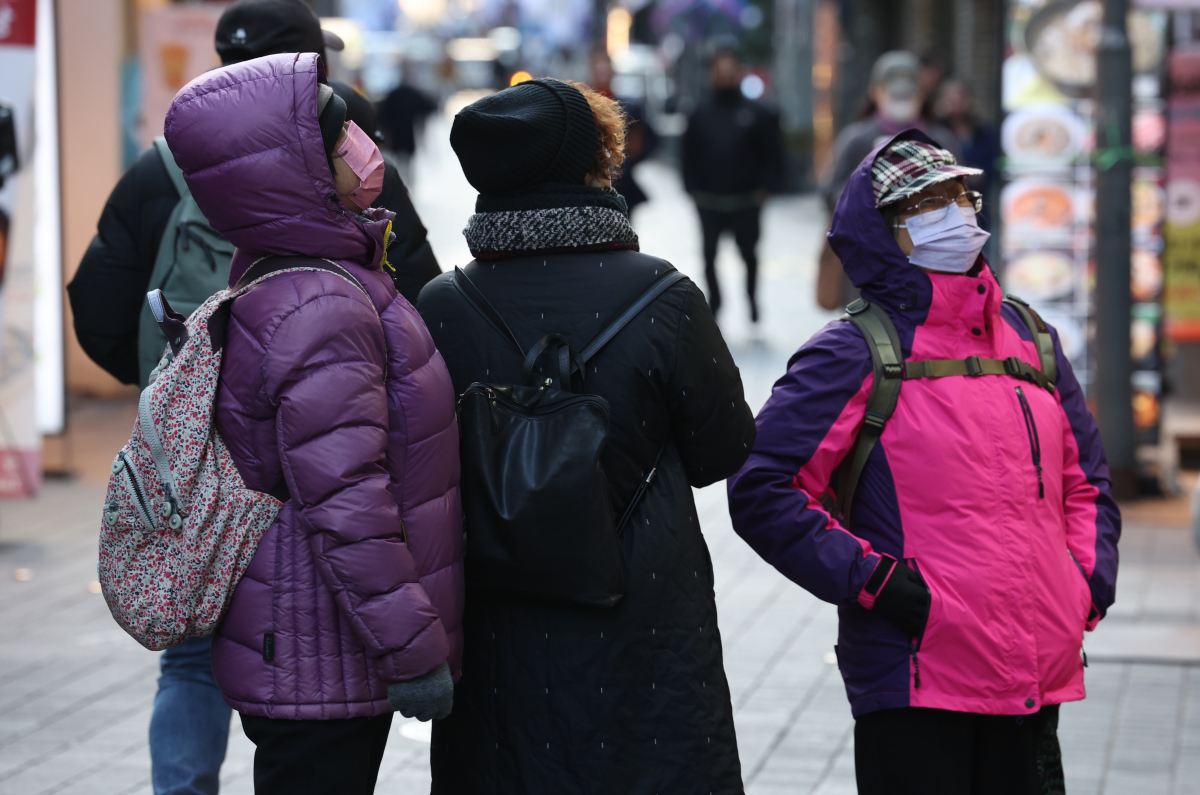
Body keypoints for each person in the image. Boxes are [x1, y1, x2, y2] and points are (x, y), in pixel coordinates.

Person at [727, 131, 1121, 794]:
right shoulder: (850, 351)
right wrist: (876, 582)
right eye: (928, 202)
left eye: (960, 194)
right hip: (914, 674)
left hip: (1032, 667)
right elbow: (762, 487)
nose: (957, 213)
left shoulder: (1030, 337)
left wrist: (1085, 581)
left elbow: (1086, 483)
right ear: (884, 232)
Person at [418, 77, 756, 794]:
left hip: (499, 613)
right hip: (645, 607)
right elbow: (720, 451)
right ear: (594, 161)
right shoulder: (663, 294)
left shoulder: (443, 306)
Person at [162, 51, 463, 794]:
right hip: (322, 644)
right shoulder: (318, 306)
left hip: (306, 634)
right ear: (295, 171)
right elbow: (348, 499)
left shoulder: (288, 275)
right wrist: (413, 648)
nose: (363, 148)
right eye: (339, 141)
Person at [68, 0, 438, 386]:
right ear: (314, 63)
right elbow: (420, 306)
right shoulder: (351, 159)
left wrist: (181, 384)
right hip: (340, 406)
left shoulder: (163, 164)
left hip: (192, 428)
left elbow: (100, 316)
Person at [816, 50, 961, 310]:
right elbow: (828, 193)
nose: (902, 101)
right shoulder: (856, 139)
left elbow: (964, 196)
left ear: (922, 93)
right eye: (894, 94)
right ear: (875, 93)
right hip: (867, 271)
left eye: (908, 94)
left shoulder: (941, 141)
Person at [681, 49, 784, 322]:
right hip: (709, 201)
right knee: (709, 256)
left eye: (730, 70)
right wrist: (690, 187)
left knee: (749, 255)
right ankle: (715, 302)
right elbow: (687, 153)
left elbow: (773, 153)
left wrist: (768, 187)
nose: (725, 76)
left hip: (747, 201)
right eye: (720, 71)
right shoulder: (699, 113)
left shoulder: (758, 113)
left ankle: (751, 300)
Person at [589, 47, 657, 217]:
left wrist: (629, 160)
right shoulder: (582, 106)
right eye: (598, 68)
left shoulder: (629, 109)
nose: (602, 73)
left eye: (606, 69)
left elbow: (647, 140)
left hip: (621, 183)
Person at [935, 79, 999, 216]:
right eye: (950, 98)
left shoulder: (984, 133)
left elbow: (994, 164)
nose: (956, 102)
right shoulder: (936, 133)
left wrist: (981, 174)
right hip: (945, 208)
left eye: (961, 97)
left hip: (979, 206)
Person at [376, 72, 437, 183]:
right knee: (406, 159)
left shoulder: (394, 95)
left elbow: (382, 115)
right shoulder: (413, 94)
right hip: (408, 133)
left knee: (399, 158)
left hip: (397, 134)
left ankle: (400, 180)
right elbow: (429, 107)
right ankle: (406, 180)